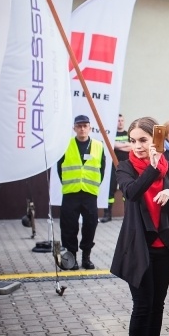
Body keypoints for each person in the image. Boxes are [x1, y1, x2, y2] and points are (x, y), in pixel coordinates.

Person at [110, 116, 169, 336]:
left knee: (157, 307)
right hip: (137, 249)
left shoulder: (168, 166)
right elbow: (131, 193)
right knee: (142, 308)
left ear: (155, 140)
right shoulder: (125, 168)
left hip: (164, 249)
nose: (137, 146)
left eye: (143, 140)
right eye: (133, 140)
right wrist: (153, 170)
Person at [58, 114, 106, 270]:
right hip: (71, 193)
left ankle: (86, 257)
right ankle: (71, 258)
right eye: (79, 126)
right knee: (69, 227)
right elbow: (60, 168)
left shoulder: (98, 146)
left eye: (85, 126)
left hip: (89, 194)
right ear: (74, 128)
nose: (82, 129)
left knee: (90, 226)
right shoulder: (66, 144)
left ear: (90, 128)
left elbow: (102, 169)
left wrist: (93, 184)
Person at [101, 113, 131, 223]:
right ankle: (107, 214)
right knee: (110, 191)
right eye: (118, 120)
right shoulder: (111, 133)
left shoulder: (128, 134)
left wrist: (118, 145)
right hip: (112, 166)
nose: (120, 122)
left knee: (126, 191)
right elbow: (110, 145)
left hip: (126, 167)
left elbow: (132, 147)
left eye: (122, 120)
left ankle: (127, 216)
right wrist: (125, 145)